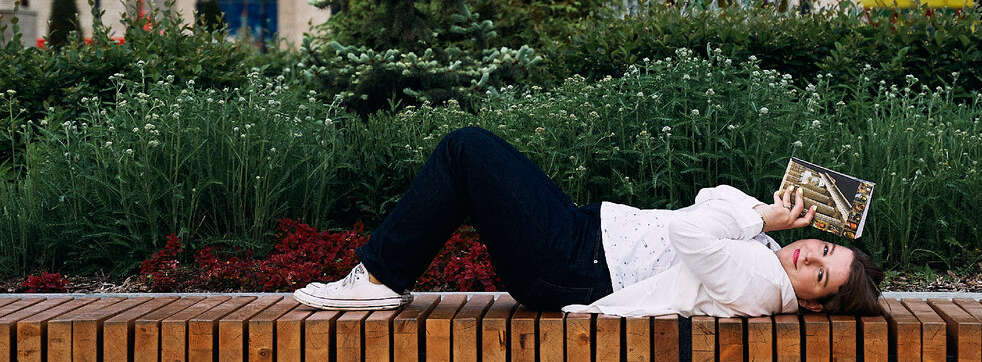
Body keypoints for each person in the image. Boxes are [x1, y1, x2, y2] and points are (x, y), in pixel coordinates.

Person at [294, 127, 883, 316]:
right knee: (474, 159)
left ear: (812, 303)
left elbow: (688, 229)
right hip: (581, 242)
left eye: (822, 277)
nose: (811, 258)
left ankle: (376, 281)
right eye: (825, 252)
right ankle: (380, 276)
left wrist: (756, 216)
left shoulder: (760, 280)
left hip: (573, 265)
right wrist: (764, 214)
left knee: (468, 151)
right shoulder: (763, 249)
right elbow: (706, 199)